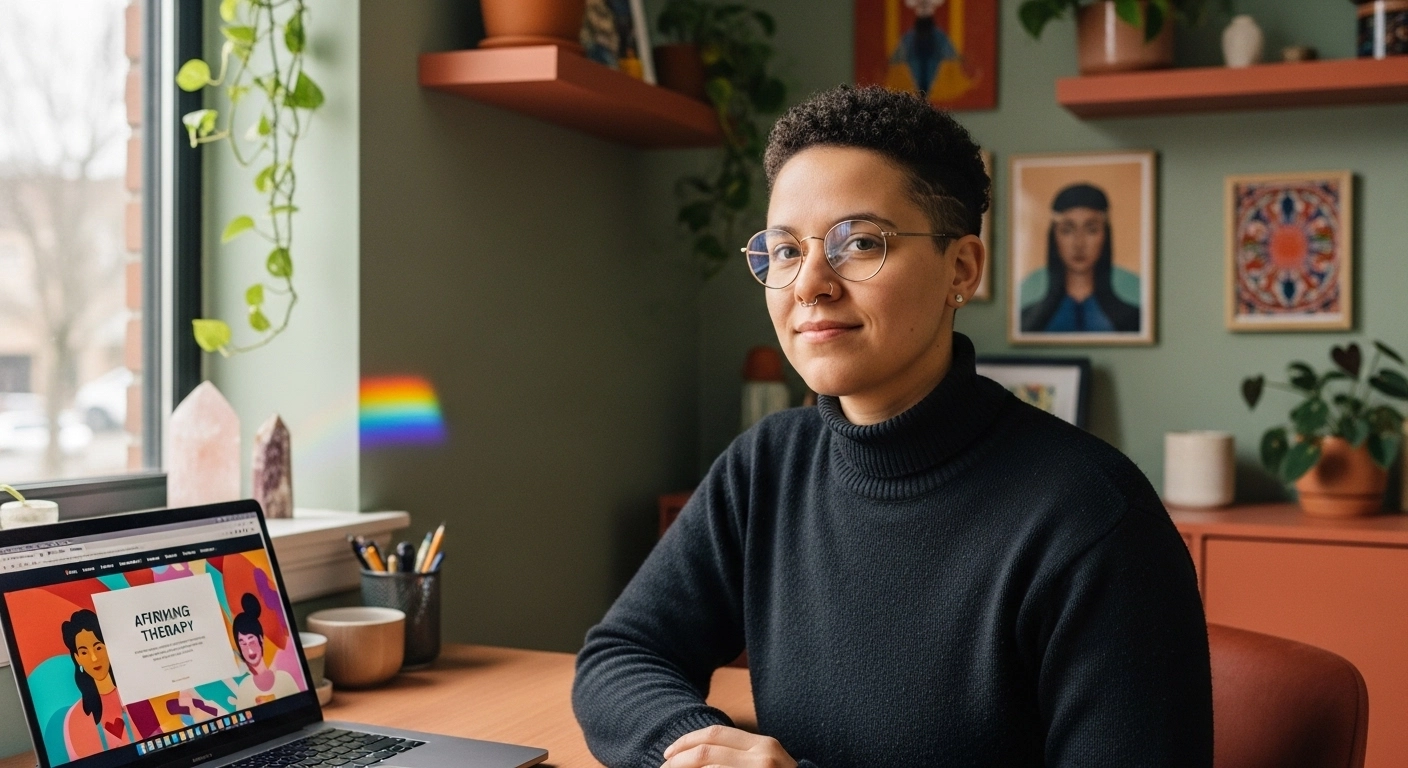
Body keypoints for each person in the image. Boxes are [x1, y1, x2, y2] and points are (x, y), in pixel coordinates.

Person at [572, 85, 1211, 768]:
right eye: (785, 250)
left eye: (860, 243)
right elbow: (622, 655)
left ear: (960, 269)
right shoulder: (767, 466)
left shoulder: (1093, 521)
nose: (809, 283)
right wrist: (690, 748)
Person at [1020, 183, 1141, 333]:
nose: (1079, 244)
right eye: (1067, 230)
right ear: (1054, 237)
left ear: (1105, 236)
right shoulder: (1027, 318)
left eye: (1091, 230)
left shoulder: (1134, 318)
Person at [62, 609, 135, 759]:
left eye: (98, 647)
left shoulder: (136, 694)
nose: (94, 658)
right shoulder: (76, 717)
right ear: (77, 658)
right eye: (84, 652)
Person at [230, 593, 300, 708]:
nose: (249, 649)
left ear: (261, 639)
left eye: (251, 640)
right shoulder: (244, 688)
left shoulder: (284, 678)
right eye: (243, 643)